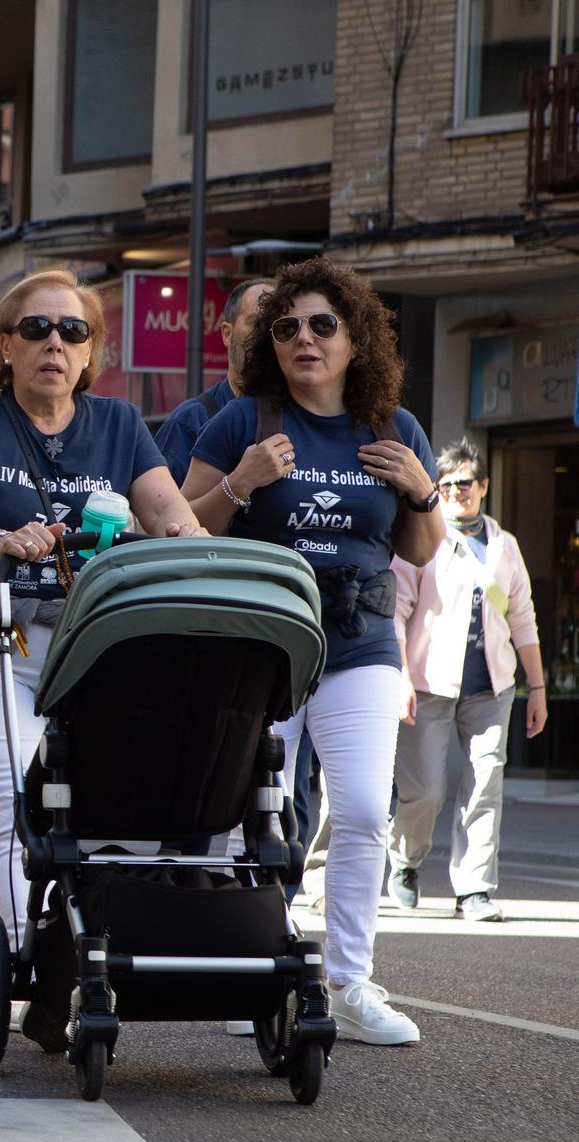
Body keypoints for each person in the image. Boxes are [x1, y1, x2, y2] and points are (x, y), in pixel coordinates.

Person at [184, 256, 442, 1045]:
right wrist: (242, 481)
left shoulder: (392, 427)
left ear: (355, 337)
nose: (304, 338)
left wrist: (422, 490)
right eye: (287, 326)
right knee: (244, 813)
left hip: (359, 643)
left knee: (364, 808)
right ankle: (245, 969)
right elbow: (184, 523)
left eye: (323, 324)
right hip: (258, 642)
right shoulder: (244, 422)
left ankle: (351, 983)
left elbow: (424, 550)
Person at [0, 268, 203, 956]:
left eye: (72, 330)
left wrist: (188, 546)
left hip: (86, 640)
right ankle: (22, 964)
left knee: (91, 805)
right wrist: (0, 539)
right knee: (17, 804)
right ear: (6, 346)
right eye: (36, 328)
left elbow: (175, 518)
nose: (55, 342)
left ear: (89, 354)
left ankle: (33, 937)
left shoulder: (119, 423)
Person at [386, 441, 546, 921]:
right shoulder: (422, 539)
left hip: (491, 689)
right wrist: (400, 677)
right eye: (449, 482)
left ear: (484, 487)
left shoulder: (504, 545)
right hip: (429, 682)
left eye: (466, 482)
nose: (458, 491)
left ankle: (474, 888)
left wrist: (536, 688)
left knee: (484, 786)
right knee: (427, 791)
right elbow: (395, 611)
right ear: (437, 487)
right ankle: (405, 859)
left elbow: (523, 618)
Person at [152, 277, 274, 485]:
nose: (266, 335)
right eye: (256, 323)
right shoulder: (189, 422)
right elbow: (160, 512)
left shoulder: (305, 419)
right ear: (227, 333)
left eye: (278, 325)